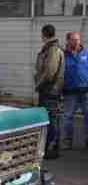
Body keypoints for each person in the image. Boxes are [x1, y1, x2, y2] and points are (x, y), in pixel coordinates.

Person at [35, 24, 65, 160]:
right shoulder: (50, 49)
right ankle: (48, 147)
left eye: (41, 34)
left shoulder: (53, 50)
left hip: (50, 91)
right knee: (50, 119)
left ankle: (51, 148)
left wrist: (38, 83)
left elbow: (50, 72)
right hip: (50, 90)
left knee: (50, 120)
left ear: (44, 34)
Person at [62, 31, 88, 150]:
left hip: (85, 91)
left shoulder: (86, 53)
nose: (77, 41)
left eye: (78, 39)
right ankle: (67, 141)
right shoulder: (63, 55)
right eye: (74, 39)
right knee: (68, 117)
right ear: (68, 41)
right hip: (70, 92)